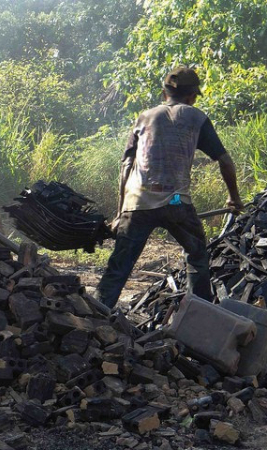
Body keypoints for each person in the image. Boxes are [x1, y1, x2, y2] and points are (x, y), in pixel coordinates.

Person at [96, 66, 244, 309]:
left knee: (119, 267)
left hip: (138, 203)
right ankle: (199, 315)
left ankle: (97, 315)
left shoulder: (144, 117)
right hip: (176, 203)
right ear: (192, 96)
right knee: (196, 255)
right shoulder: (196, 117)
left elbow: (126, 166)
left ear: (165, 93)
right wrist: (234, 199)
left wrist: (120, 213)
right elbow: (225, 161)